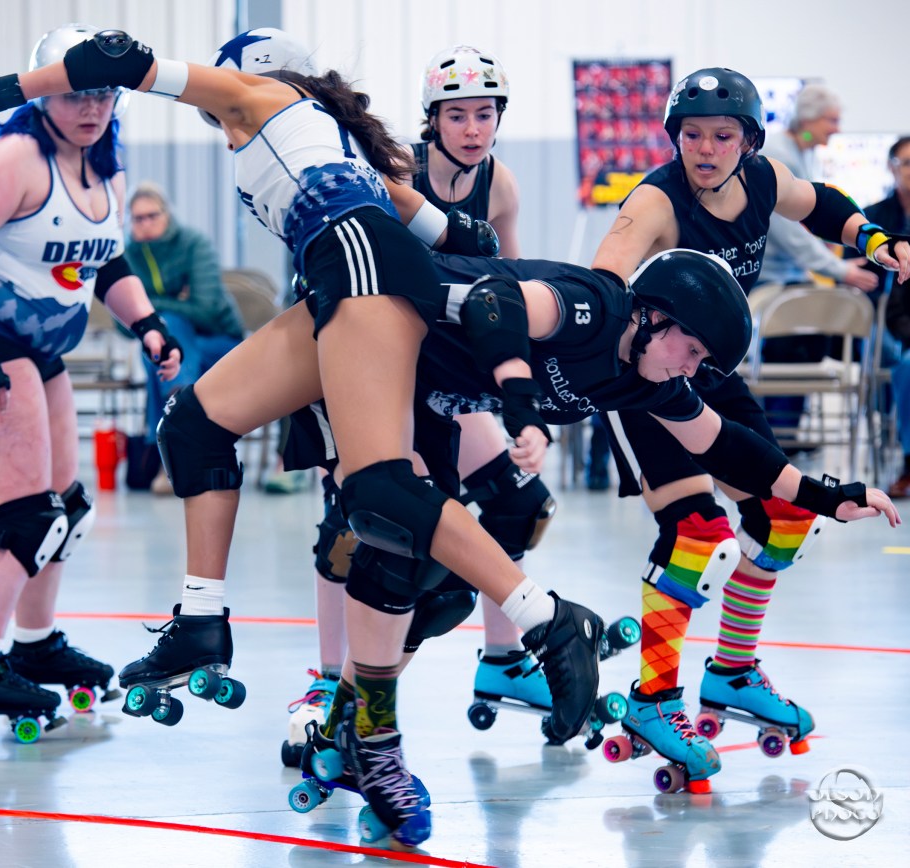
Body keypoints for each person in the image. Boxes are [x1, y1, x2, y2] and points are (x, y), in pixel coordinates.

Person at [0, 28, 606, 846]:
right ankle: (207, 622)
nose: (216, 119)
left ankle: (543, 617)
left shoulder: (261, 98)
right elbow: (460, 239)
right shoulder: (341, 142)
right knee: (194, 427)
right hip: (341, 285)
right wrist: (465, 259)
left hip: (358, 275)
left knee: (382, 498)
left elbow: (117, 58)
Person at [285, 247, 899, 795]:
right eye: (692, 351)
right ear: (657, 316)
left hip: (426, 395)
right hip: (363, 331)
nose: (691, 369)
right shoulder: (597, 307)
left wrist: (825, 496)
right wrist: (522, 403)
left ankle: (347, 727)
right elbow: (494, 301)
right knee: (400, 549)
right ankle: (356, 728)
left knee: (439, 592)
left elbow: (724, 445)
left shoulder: (647, 381)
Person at [589, 67, 910, 782]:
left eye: (722, 136)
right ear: (675, 138)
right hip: (645, 380)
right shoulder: (656, 200)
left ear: (749, 142)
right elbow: (605, 278)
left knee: (786, 516)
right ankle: (652, 699)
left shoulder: (762, 181)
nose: (705, 149)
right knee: (697, 532)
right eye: (692, 135)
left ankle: (732, 673)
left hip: (710, 370)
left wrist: (875, 238)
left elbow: (821, 204)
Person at [281, 44, 572, 766]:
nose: (472, 129)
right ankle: (327, 683)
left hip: (442, 364)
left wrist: (522, 401)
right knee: (361, 525)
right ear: (432, 120)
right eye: (457, 115)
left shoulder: (500, 185)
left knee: (517, 502)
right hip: (370, 362)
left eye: (484, 115)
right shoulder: (395, 174)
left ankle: (503, 660)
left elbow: (509, 289)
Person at [0, 23, 182, 743]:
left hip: (39, 351)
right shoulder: (14, 158)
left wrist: (149, 325)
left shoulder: (105, 169)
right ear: (43, 95)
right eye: (73, 94)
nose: (91, 107)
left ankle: (34, 645)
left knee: (67, 509)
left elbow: (108, 264)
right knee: (28, 516)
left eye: (103, 94)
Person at [757, 84, 878, 440]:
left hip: (791, 275)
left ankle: (788, 434)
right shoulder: (778, 153)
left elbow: (813, 220)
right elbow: (786, 230)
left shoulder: (805, 152)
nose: (837, 129)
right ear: (808, 119)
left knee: (812, 342)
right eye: (831, 120)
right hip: (768, 279)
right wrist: (839, 270)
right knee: (793, 345)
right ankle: (778, 434)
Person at [122, 181, 244, 492]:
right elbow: (121, 323)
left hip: (221, 342)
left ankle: (168, 456)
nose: (146, 223)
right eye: (138, 218)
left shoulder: (194, 244)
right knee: (160, 344)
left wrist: (149, 309)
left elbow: (206, 308)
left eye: (152, 215)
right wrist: (170, 305)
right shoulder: (128, 256)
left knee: (164, 335)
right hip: (178, 350)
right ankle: (183, 436)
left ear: (167, 214)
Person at [851, 135, 910, 497]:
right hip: (884, 316)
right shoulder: (873, 217)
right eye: (906, 163)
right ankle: (908, 459)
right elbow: (854, 270)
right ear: (891, 167)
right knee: (900, 362)